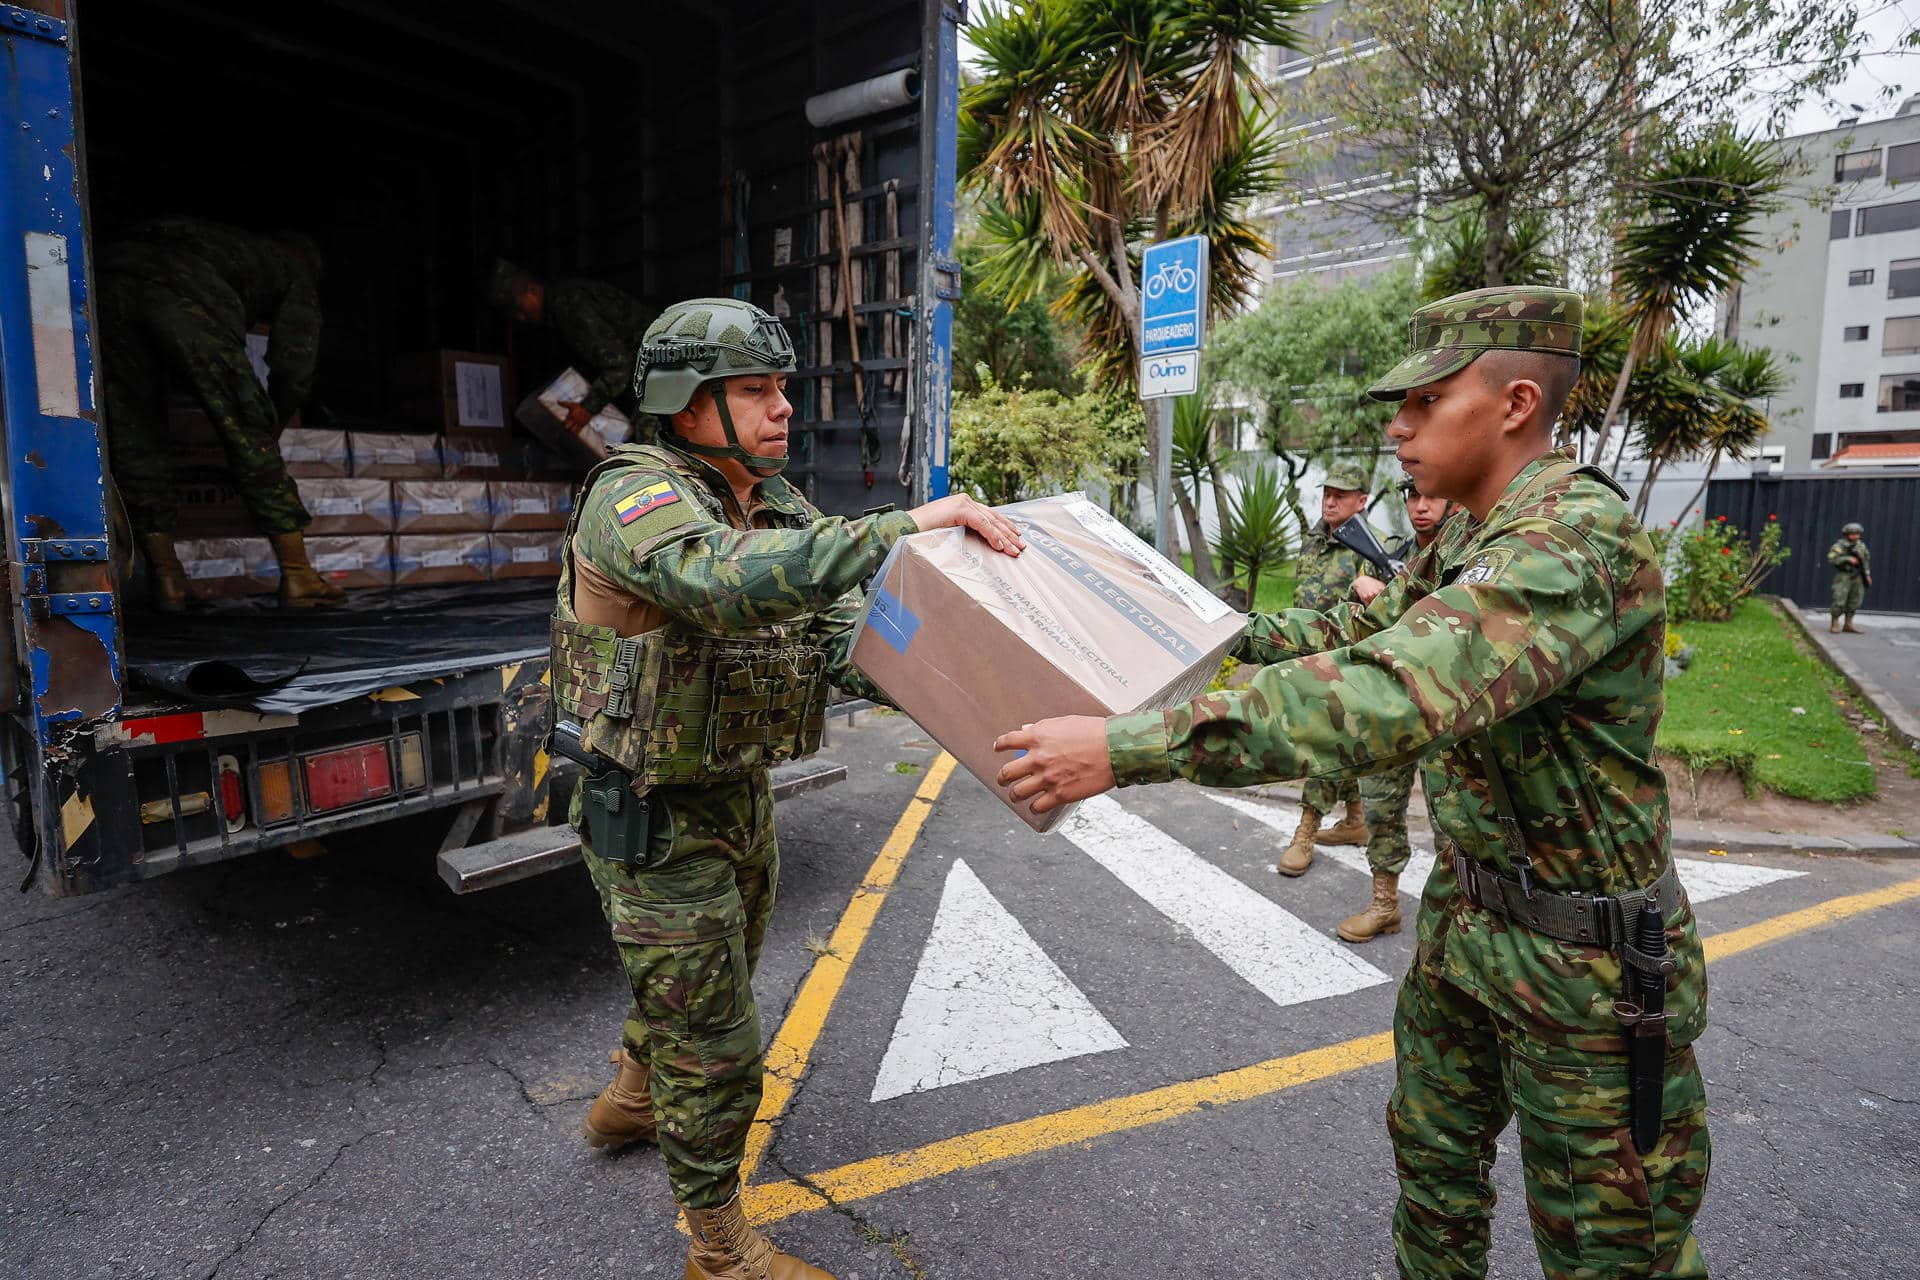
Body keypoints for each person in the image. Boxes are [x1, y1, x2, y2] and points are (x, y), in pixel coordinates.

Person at [995, 285, 1711, 1279]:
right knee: (1435, 1180)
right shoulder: (1467, 533)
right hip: (1469, 926)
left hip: (1585, 972)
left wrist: (1126, 746)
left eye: (1427, 401)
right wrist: (1191, 627)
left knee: (1610, 1250)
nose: (1398, 426)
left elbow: (1389, 687)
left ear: (1515, 404)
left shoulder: (1569, 540)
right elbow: (1355, 630)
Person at [549, 296, 1022, 1280]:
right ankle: (718, 1249)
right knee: (716, 1036)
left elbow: (845, 637)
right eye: (755, 390)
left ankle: (633, 1097)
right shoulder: (632, 498)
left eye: (783, 388)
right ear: (686, 404)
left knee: (703, 987)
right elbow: (717, 581)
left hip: (735, 796)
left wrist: (980, 693)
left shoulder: (775, 505)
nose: (783, 409)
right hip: (651, 814)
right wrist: (903, 524)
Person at [97, 216, 342, 610]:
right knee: (247, 428)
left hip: (107, 283)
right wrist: (269, 427)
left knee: (135, 435)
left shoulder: (221, 243)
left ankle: (168, 579)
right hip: (185, 295)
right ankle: (299, 576)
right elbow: (294, 364)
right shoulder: (291, 268)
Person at [1337, 479, 1458, 944]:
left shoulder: (1467, 555)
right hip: (1390, 699)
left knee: (1451, 821)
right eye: (1413, 496)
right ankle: (1385, 904)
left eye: (1432, 497)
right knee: (1381, 805)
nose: (1421, 506)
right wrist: (1362, 590)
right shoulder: (1390, 553)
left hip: (1445, 706)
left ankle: (1454, 921)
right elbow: (1355, 627)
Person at [1276, 459, 1378, 875]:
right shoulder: (1313, 541)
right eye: (1327, 493)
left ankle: (1306, 830)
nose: (1330, 502)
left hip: (1344, 663)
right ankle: (1355, 819)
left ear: (1361, 501)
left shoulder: (1371, 548)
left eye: (1341, 495)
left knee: (1326, 742)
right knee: (1339, 742)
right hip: (1306, 654)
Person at [488, 259, 651, 438]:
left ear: (532, 290)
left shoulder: (570, 307)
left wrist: (587, 408)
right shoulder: (562, 303)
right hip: (651, 374)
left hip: (660, 373)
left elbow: (619, 365)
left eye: (519, 308)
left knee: (650, 442)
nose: (521, 317)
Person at [1826, 521, 1872, 633]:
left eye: (1857, 534)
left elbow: (1865, 562)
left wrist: (1867, 575)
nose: (1855, 536)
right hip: (1844, 575)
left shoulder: (1861, 546)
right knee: (1839, 599)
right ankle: (1834, 623)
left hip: (1858, 576)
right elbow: (1831, 559)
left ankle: (1848, 624)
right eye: (1852, 534)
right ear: (1846, 534)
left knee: (1855, 600)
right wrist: (1847, 559)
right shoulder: (1840, 546)